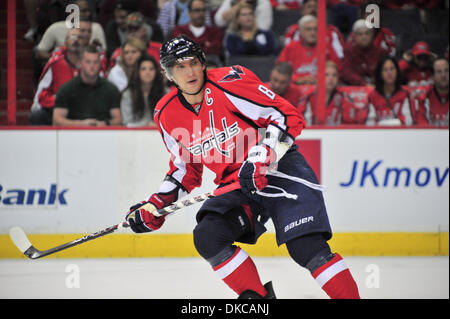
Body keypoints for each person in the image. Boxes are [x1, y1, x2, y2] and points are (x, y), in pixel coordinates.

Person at [124, 35, 360, 299]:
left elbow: (286, 116)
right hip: (237, 186)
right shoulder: (165, 114)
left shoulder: (230, 83)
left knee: (306, 248)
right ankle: (258, 302)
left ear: (203, 63)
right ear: (168, 74)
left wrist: (261, 156)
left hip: (279, 171)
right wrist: (156, 204)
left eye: (192, 62)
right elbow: (185, 169)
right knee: (208, 236)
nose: (189, 71)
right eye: (179, 66)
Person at [53, 44, 122, 126]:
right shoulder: (66, 89)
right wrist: (81, 124)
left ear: (100, 64)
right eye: (88, 62)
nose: (92, 66)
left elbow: (118, 121)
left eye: (95, 62)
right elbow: (57, 121)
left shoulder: (111, 89)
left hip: (103, 134)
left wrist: (103, 124)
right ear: (80, 63)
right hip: (74, 135)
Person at [29, 28, 82, 125]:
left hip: (84, 109)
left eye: (79, 38)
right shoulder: (55, 63)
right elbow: (41, 93)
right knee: (37, 116)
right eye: (72, 37)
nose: (76, 40)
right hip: (59, 108)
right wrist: (60, 100)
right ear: (65, 42)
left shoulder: (90, 62)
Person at [277, 15, 341, 85]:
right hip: (295, 87)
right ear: (300, 31)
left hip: (320, 88)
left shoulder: (326, 47)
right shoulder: (290, 47)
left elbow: (337, 69)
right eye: (308, 29)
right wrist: (296, 79)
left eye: (315, 29)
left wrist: (320, 79)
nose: (312, 33)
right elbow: (280, 70)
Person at [298, 61, 358, 125]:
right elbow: (299, 121)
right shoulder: (308, 97)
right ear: (318, 77)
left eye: (334, 75)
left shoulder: (344, 98)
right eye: (326, 75)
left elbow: (349, 125)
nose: (331, 78)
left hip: (338, 134)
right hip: (312, 134)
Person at [365, 56, 415, 126]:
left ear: (397, 71)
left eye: (392, 69)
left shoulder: (404, 94)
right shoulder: (373, 96)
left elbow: (408, 121)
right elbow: (369, 123)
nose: (389, 73)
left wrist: (383, 124)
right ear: (380, 74)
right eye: (385, 70)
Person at [120, 54, 166, 127]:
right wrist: (146, 125)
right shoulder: (128, 94)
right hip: (134, 135)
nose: (148, 72)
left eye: (151, 69)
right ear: (137, 72)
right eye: (143, 69)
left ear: (156, 72)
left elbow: (171, 120)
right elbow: (126, 123)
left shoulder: (166, 93)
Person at [340, 19, 386, 86]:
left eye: (367, 33)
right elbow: (346, 72)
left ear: (372, 35)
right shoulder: (349, 51)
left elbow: (384, 72)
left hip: (376, 87)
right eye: (360, 34)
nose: (364, 37)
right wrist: (364, 84)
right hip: (354, 88)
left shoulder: (380, 52)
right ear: (354, 36)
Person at [416, 57, 449, 126]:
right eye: (439, 72)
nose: (443, 75)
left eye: (446, 71)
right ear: (433, 76)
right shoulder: (424, 96)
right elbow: (421, 124)